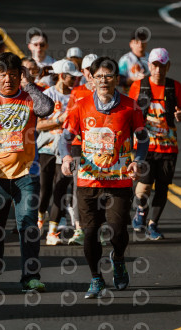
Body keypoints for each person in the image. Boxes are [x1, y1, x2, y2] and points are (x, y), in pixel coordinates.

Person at [60, 57, 147, 299]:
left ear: (117, 79)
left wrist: (138, 161)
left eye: (108, 76)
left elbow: (143, 138)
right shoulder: (80, 105)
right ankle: (96, 278)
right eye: (99, 76)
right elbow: (65, 137)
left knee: (118, 231)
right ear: (91, 78)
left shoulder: (130, 106)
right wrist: (66, 158)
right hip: (88, 180)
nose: (103, 81)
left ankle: (118, 258)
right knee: (90, 232)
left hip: (119, 179)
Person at [0, 52, 54, 292]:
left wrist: (28, 85)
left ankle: (30, 277)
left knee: (28, 226)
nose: (8, 80)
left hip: (26, 175)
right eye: (3, 74)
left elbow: (47, 109)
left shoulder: (29, 97)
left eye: (13, 75)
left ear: (20, 75)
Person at [128, 48, 181, 240]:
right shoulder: (138, 86)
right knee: (143, 187)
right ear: (149, 65)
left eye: (162, 66)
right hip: (145, 146)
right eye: (154, 65)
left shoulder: (175, 87)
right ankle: (141, 209)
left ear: (168, 66)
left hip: (169, 147)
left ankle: (153, 224)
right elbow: (129, 112)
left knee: (162, 187)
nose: (158, 70)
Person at [36, 59, 81, 245]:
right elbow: (38, 125)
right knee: (44, 190)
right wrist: (58, 120)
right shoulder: (47, 95)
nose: (75, 80)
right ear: (62, 76)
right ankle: (40, 218)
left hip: (67, 150)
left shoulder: (76, 97)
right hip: (47, 147)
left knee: (60, 189)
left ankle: (52, 233)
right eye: (72, 77)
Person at [63, 53, 98, 245]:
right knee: (79, 187)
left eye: (95, 69)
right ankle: (79, 228)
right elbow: (69, 119)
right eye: (88, 70)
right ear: (83, 72)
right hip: (79, 146)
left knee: (101, 187)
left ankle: (99, 229)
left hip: (101, 147)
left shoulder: (107, 91)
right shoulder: (77, 92)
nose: (91, 73)